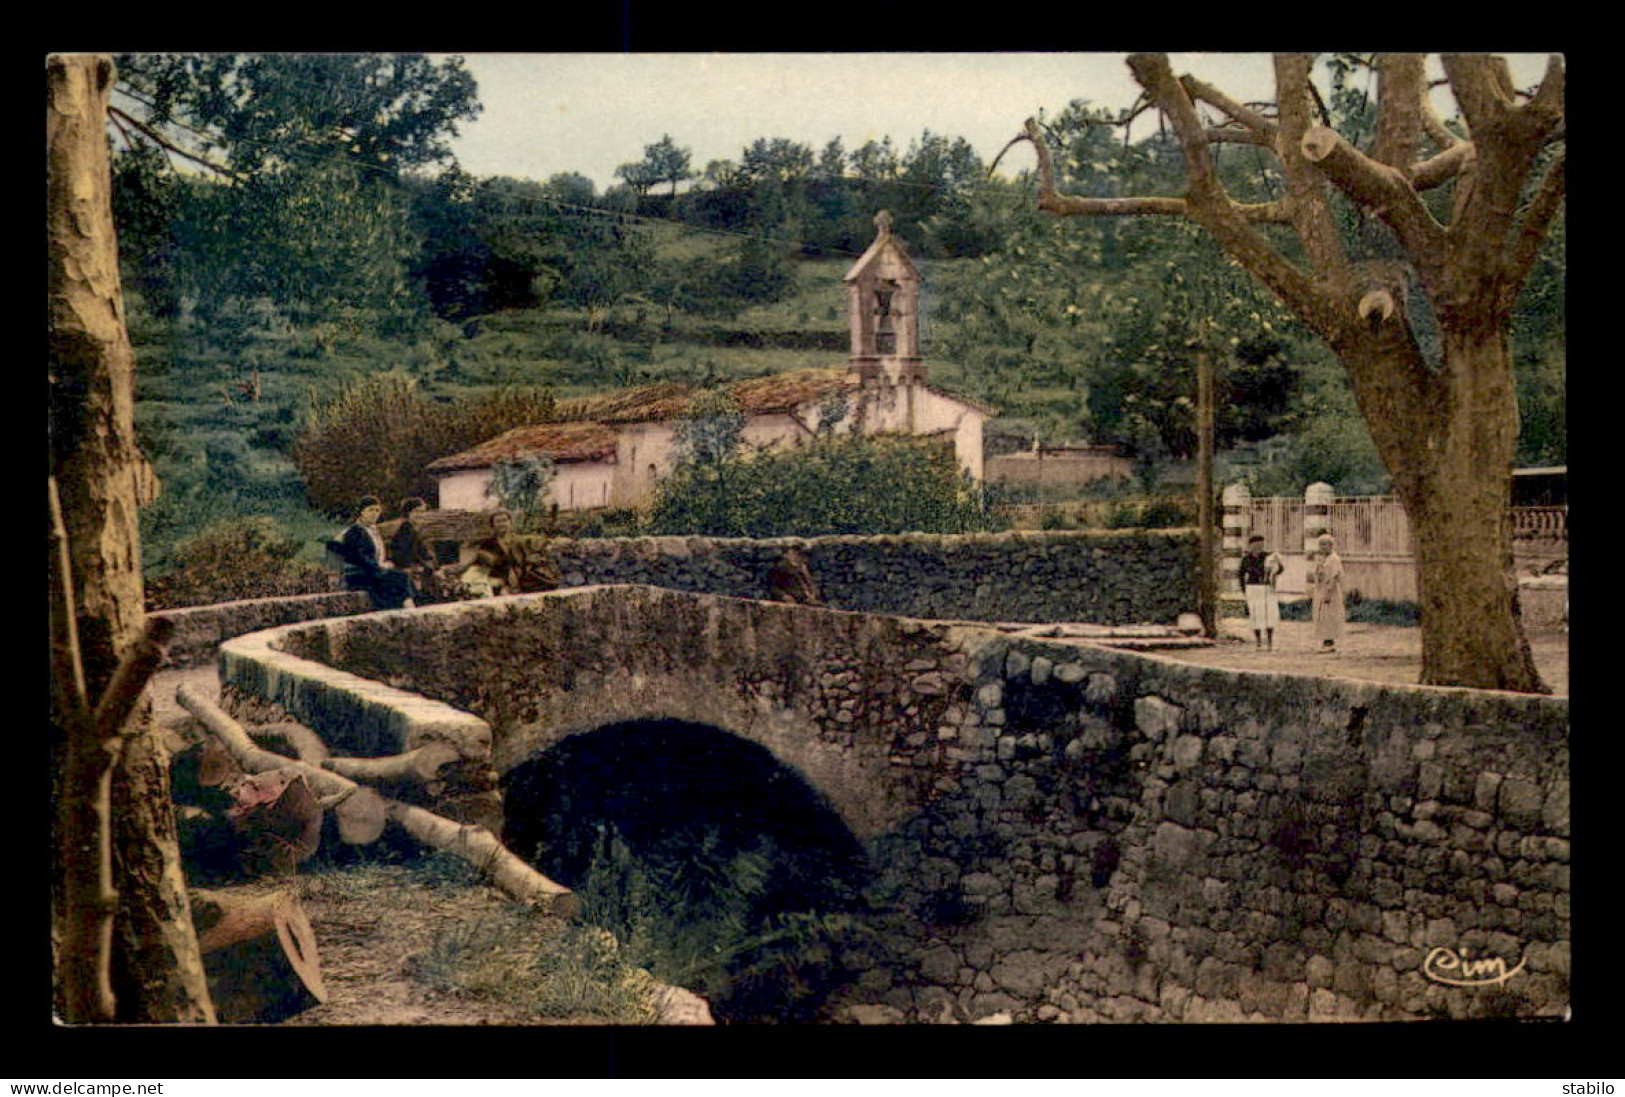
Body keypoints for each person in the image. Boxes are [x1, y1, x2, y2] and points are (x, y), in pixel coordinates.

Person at [448, 509, 561, 597]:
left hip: (520, 578)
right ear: (492, 525)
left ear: (510, 522)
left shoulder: (520, 540)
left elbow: (539, 550)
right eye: (498, 521)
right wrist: (459, 569)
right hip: (499, 579)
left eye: (504, 520)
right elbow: (477, 560)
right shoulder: (489, 543)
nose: (502, 524)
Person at [333, 495, 417, 610]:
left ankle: (407, 610)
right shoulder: (354, 532)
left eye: (377, 510)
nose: (374, 513)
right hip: (358, 575)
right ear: (362, 512)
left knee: (401, 579)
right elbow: (361, 558)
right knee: (399, 578)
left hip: (372, 572)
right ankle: (411, 611)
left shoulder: (373, 530)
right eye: (370, 510)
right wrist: (380, 567)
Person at [1238, 534, 1285, 650]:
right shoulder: (1246, 559)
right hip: (1253, 588)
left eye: (1261, 544)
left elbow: (1278, 571)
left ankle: (1269, 641)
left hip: (1267, 587)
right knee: (1256, 614)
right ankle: (1258, 641)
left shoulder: (1268, 557)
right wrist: (1244, 590)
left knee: (1269, 614)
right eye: (1256, 544)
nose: (1259, 547)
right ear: (1251, 546)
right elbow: (1241, 575)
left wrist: (1278, 563)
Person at [1310, 533, 1346, 653]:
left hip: (1330, 590)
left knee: (1329, 615)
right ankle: (1325, 640)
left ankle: (1329, 642)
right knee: (1321, 616)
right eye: (1320, 544)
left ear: (1331, 545)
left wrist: (1329, 592)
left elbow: (1335, 576)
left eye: (1325, 544)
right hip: (1320, 589)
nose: (1322, 547)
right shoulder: (1322, 558)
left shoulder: (1333, 559)